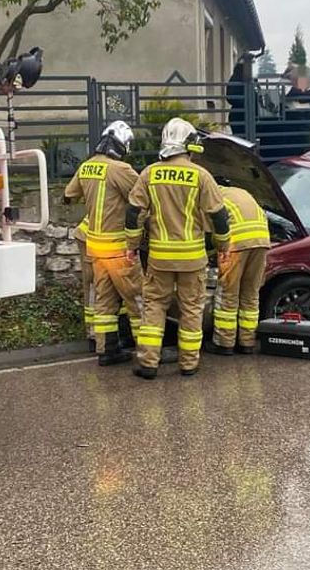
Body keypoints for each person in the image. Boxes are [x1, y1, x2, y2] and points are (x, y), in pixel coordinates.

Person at [126, 118, 231, 379]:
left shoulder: (149, 173)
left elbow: (133, 213)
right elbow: (219, 216)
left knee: (154, 307)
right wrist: (223, 246)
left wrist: (131, 245)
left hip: (160, 258)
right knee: (191, 309)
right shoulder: (201, 176)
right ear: (188, 144)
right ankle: (188, 364)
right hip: (192, 259)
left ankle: (148, 363)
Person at [64, 121, 142, 366]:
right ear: (122, 145)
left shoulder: (87, 167)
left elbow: (68, 195)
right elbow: (143, 199)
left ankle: (107, 351)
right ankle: (148, 352)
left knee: (105, 301)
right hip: (119, 247)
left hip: (95, 248)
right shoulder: (121, 169)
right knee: (138, 300)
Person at [210, 184, 271, 355]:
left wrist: (214, 250)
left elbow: (212, 228)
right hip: (262, 241)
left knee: (228, 293)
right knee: (251, 293)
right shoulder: (242, 192)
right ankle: (247, 342)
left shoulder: (213, 197)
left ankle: (224, 343)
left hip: (236, 245)